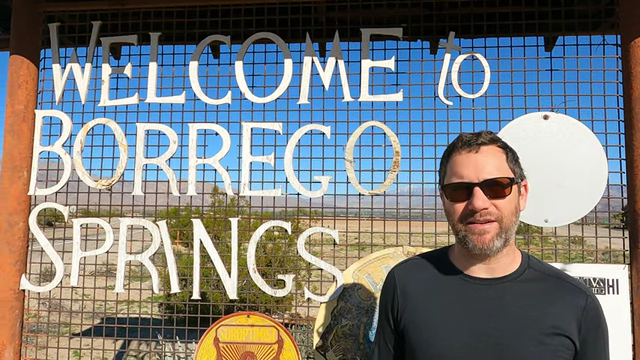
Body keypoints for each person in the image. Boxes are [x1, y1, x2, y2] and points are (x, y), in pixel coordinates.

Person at [369, 131, 609, 360]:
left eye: (497, 186)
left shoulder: (575, 303)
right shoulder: (405, 284)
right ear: (444, 200)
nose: (478, 204)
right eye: (459, 190)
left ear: (522, 194)